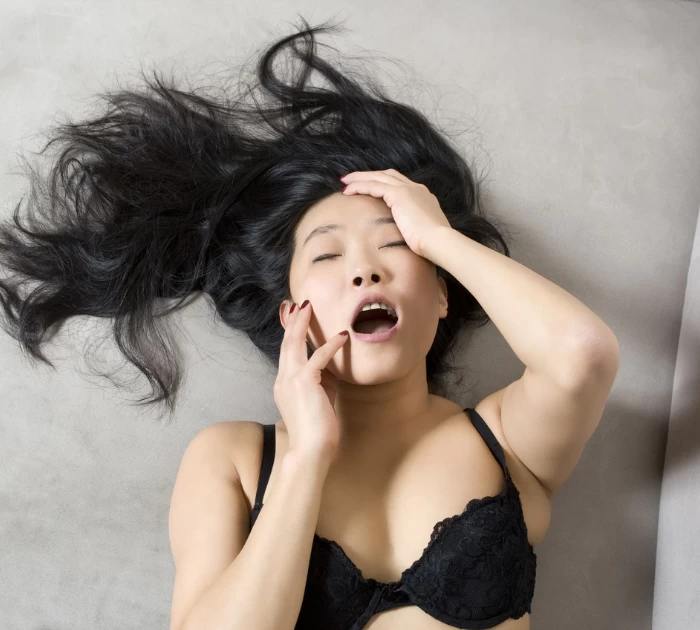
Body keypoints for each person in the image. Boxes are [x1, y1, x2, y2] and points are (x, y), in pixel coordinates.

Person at [0, 15, 618, 630]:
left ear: (441, 295)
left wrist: (437, 237)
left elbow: (582, 353)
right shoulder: (235, 459)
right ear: (291, 311)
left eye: (395, 245)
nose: (365, 271)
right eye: (326, 255)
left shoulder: (506, 439)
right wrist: (306, 458)